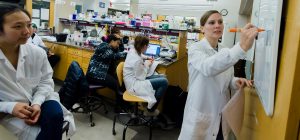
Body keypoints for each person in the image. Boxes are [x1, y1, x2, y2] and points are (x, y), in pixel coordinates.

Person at [178, 10, 258, 140]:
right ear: (202, 28)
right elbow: (208, 68)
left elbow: (225, 79)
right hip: (201, 115)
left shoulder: (224, 49)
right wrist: (242, 46)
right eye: (212, 22)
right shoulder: (195, 49)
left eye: (220, 22)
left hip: (221, 115)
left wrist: (235, 81)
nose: (217, 25)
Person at [0, 4, 75, 140]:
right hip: (10, 107)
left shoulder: (37, 52)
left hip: (42, 97)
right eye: (18, 26)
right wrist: (9, 106)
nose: (27, 32)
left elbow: (46, 81)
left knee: (55, 115)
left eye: (28, 25)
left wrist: (37, 103)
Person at [123, 35, 168, 116]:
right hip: (134, 85)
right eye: (148, 46)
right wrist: (147, 64)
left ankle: (148, 104)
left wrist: (147, 57)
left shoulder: (133, 50)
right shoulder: (136, 60)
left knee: (163, 77)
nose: (147, 48)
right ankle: (150, 110)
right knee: (164, 82)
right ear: (144, 46)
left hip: (134, 78)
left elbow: (140, 55)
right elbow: (141, 76)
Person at [86, 34, 127, 112]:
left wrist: (120, 41)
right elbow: (115, 56)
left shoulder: (111, 47)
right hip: (95, 74)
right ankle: (118, 108)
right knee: (117, 85)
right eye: (117, 43)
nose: (118, 45)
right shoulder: (104, 46)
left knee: (120, 82)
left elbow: (120, 50)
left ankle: (122, 105)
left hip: (101, 73)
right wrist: (130, 54)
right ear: (112, 41)